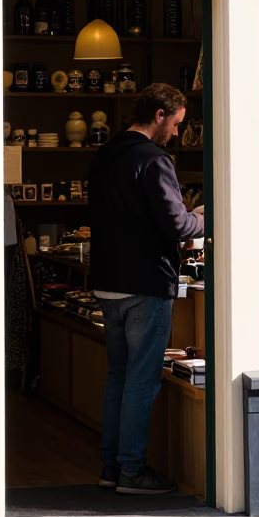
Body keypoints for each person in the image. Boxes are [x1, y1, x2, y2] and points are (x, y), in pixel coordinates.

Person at [89, 82, 205, 495]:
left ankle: (110, 468)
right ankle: (133, 472)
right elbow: (176, 224)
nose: (175, 133)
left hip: (107, 282)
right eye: (175, 124)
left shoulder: (106, 154)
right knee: (141, 380)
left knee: (118, 377)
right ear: (159, 116)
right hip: (144, 284)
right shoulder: (154, 159)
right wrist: (204, 218)